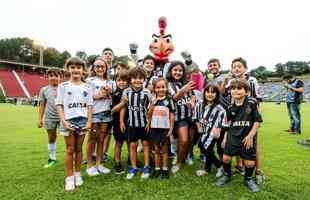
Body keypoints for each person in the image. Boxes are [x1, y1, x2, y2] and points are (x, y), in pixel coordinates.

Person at [216, 79, 262, 193]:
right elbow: (227, 125)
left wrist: (251, 135)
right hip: (233, 137)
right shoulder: (230, 108)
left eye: (239, 88)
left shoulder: (251, 103)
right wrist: (225, 138)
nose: (236, 91)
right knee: (226, 158)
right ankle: (227, 175)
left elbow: (257, 121)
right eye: (233, 88)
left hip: (247, 138)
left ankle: (248, 179)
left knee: (249, 163)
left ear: (246, 92)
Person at [55, 57, 93, 191]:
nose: (76, 70)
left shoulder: (88, 87)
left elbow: (89, 106)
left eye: (78, 67)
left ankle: (78, 174)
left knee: (79, 149)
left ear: (83, 70)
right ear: (68, 69)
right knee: (70, 149)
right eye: (73, 67)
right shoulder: (63, 86)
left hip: (83, 120)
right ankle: (69, 177)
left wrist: (89, 121)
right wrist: (63, 121)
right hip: (68, 120)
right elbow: (59, 104)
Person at [119, 67, 152, 179]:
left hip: (144, 124)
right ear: (130, 79)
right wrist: (121, 121)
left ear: (144, 79)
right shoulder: (126, 91)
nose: (137, 80)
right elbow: (123, 107)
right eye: (134, 78)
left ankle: (147, 166)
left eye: (140, 78)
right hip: (132, 124)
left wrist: (150, 121)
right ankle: (133, 167)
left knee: (146, 144)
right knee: (133, 145)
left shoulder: (147, 92)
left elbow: (151, 108)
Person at [166, 61, 195, 174]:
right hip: (177, 117)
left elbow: (192, 95)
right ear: (171, 71)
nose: (178, 72)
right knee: (183, 140)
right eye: (175, 70)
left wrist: (192, 101)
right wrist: (183, 90)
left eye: (180, 70)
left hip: (189, 115)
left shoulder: (186, 83)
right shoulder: (168, 83)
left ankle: (185, 157)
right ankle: (178, 162)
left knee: (190, 141)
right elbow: (173, 99)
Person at [85, 59, 113, 176]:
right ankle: (89, 165)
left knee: (101, 139)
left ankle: (99, 164)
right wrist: (97, 96)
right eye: (97, 66)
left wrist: (109, 92)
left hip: (106, 113)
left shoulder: (110, 82)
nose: (100, 69)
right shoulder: (89, 81)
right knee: (92, 139)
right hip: (94, 113)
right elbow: (84, 97)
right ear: (93, 68)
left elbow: (113, 97)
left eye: (102, 66)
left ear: (106, 68)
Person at [196, 84, 228, 177]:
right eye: (208, 92)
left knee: (206, 148)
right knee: (203, 147)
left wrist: (218, 129)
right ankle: (209, 168)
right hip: (203, 131)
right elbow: (195, 117)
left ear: (217, 94)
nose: (210, 94)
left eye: (213, 92)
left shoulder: (220, 109)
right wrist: (199, 127)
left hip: (213, 132)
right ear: (204, 93)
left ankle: (218, 166)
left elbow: (224, 122)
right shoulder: (199, 104)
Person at [147, 78, 175, 179]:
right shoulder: (153, 100)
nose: (160, 89)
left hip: (165, 129)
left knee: (164, 149)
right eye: (158, 87)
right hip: (154, 128)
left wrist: (171, 129)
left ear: (166, 88)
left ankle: (165, 169)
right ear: (154, 89)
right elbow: (149, 114)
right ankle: (157, 168)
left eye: (163, 87)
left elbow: (172, 115)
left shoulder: (169, 100)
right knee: (156, 149)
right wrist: (153, 104)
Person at [38, 69, 62, 168]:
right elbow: (42, 105)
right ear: (48, 77)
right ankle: (52, 158)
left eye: (56, 75)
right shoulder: (44, 90)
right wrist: (40, 119)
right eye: (51, 75)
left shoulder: (64, 88)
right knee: (51, 137)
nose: (54, 77)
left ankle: (71, 157)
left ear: (61, 77)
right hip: (50, 118)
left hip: (63, 118)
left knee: (69, 138)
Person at [111, 71, 130, 174]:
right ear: (116, 81)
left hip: (129, 121)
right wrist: (122, 103)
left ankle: (130, 159)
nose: (122, 82)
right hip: (117, 122)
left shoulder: (130, 92)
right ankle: (117, 162)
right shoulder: (116, 94)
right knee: (119, 142)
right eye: (119, 80)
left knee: (129, 141)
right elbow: (112, 110)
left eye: (124, 80)